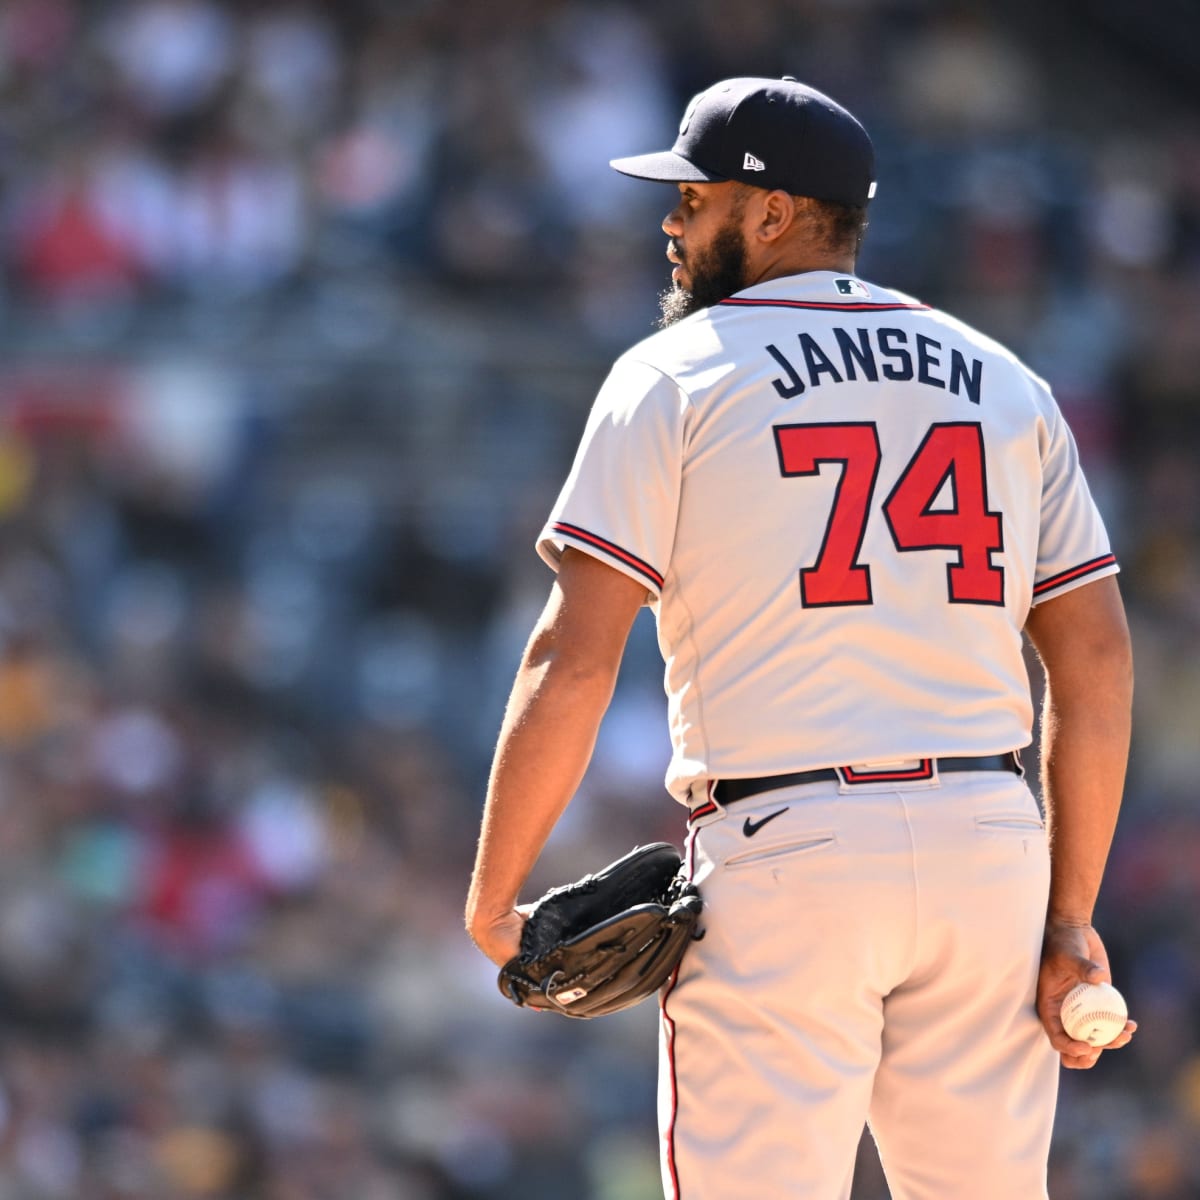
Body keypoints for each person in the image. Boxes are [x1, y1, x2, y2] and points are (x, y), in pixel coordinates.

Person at [465, 75, 1135, 1199]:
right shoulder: (1005, 383)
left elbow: (571, 660)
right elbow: (1098, 659)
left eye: (697, 199)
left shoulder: (673, 376)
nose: (671, 223)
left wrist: (495, 897)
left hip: (790, 848)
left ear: (774, 214)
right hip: (988, 846)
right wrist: (1067, 914)